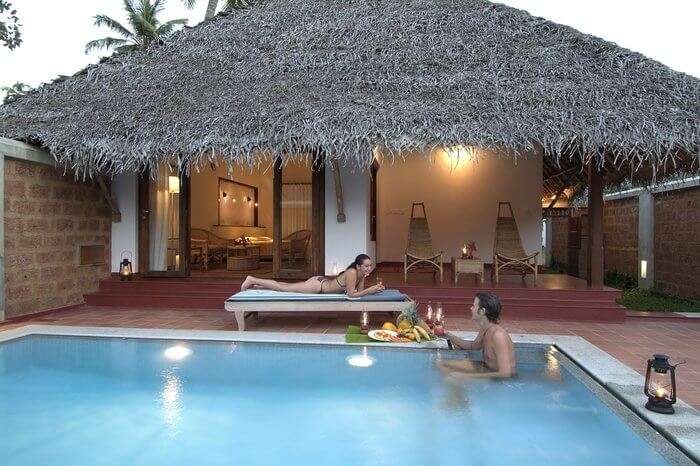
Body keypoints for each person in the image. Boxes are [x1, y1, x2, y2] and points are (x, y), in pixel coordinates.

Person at [437, 292, 516, 379]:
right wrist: (448, 335)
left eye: (474, 306)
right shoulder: (485, 329)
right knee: (441, 364)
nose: (471, 308)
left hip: (501, 380)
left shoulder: (498, 336)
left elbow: (505, 373)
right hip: (486, 369)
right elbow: (473, 346)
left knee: (453, 379)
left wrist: (466, 376)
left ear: (482, 311)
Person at [239, 254, 385, 297]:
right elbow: (352, 295)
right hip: (317, 287)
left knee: (286, 286)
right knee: (283, 288)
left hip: (320, 282)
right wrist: (371, 289)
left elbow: (359, 292)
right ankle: (252, 279)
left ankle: (259, 285)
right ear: (359, 266)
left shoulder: (359, 274)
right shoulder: (352, 272)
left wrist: (373, 289)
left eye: (370, 266)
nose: (369, 268)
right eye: (366, 266)